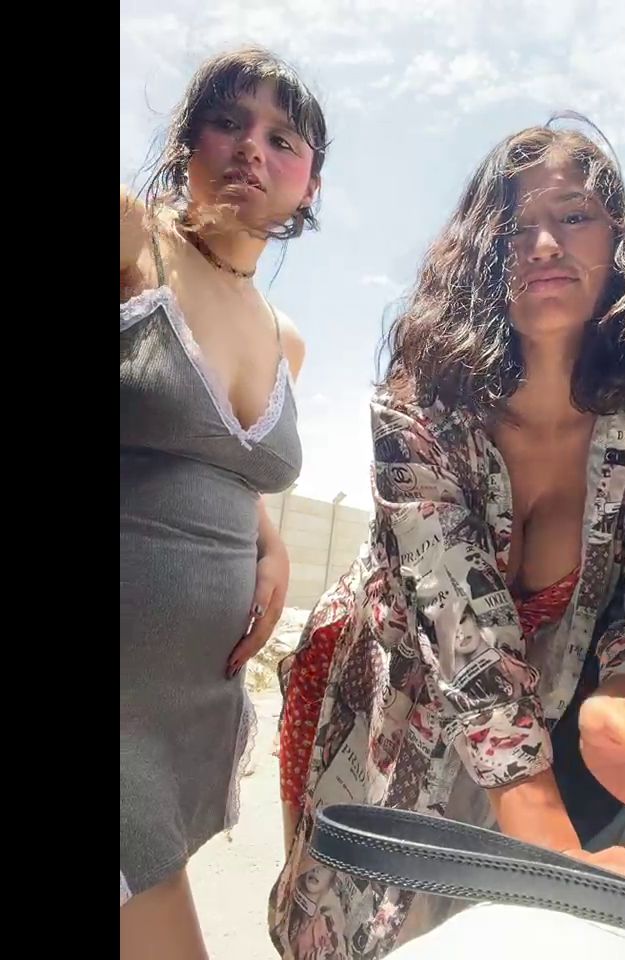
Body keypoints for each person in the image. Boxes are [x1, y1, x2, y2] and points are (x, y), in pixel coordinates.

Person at [269, 121, 625, 960]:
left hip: (528, 725)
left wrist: (624, 705)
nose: (544, 243)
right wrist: (566, 877)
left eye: (574, 215)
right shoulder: (417, 408)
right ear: (480, 257)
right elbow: (463, 638)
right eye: (514, 227)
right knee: (349, 920)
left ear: (616, 240)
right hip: (384, 693)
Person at [120, 46, 327, 960]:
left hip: (180, 713)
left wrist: (265, 532)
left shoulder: (286, 340)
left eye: (283, 139)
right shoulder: (135, 242)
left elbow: (214, 459)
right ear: (187, 145)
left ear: (310, 183)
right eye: (229, 122)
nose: (253, 148)